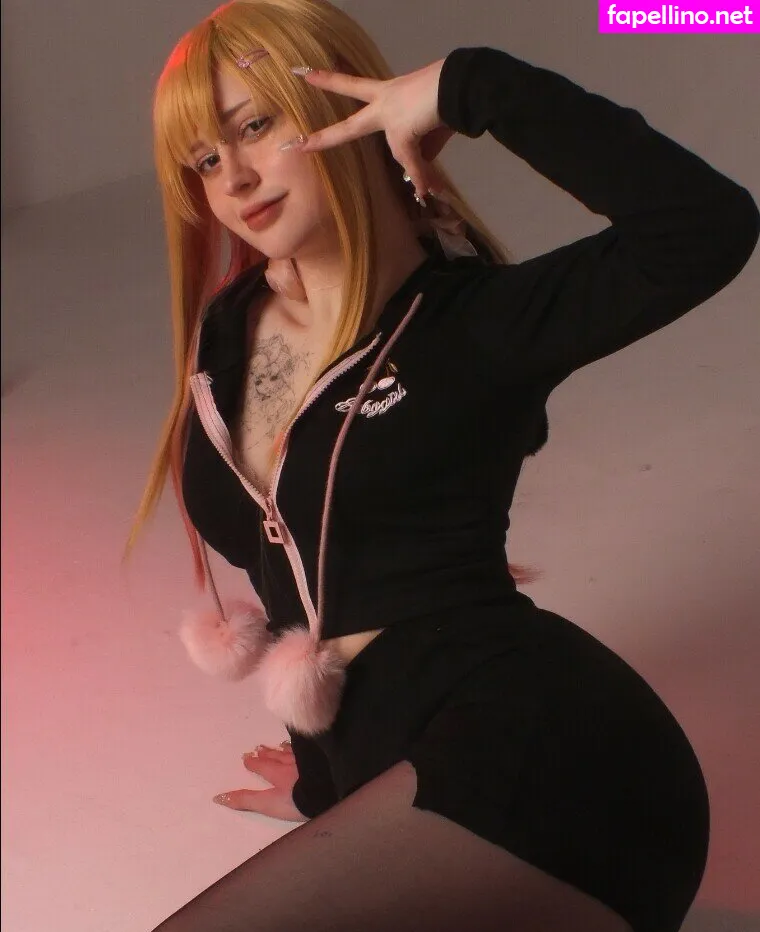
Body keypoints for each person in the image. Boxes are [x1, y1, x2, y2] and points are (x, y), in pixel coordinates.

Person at [126, 1, 759, 929]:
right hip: (405, 769)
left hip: (559, 764)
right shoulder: (230, 329)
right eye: (206, 161)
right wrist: (326, 786)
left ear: (350, 104)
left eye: (254, 126)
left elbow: (706, 227)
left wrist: (474, 86)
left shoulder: (477, 326)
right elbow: (289, 566)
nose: (236, 178)